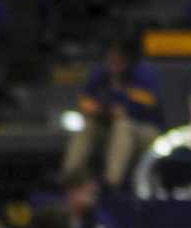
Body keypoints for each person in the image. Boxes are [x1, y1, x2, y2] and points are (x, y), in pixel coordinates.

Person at [61, 36, 160, 183]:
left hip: (144, 129)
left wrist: (123, 109)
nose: (114, 62)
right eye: (111, 57)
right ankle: (70, 175)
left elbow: (146, 105)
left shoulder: (144, 74)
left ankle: (111, 181)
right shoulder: (102, 74)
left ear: (129, 58)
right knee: (88, 126)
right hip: (110, 125)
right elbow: (85, 102)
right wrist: (100, 109)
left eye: (119, 58)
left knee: (122, 125)